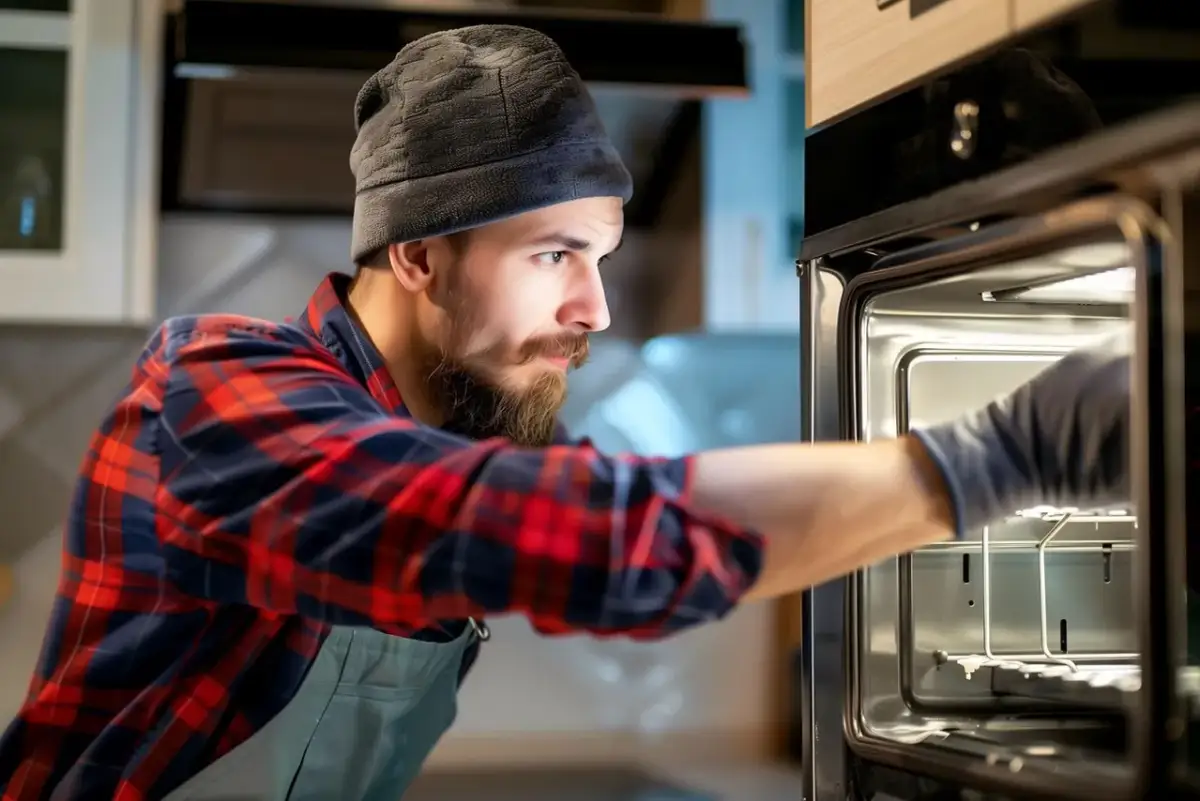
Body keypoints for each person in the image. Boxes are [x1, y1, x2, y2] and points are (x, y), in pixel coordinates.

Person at [0, 24, 1131, 801]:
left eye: (599, 256)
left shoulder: (460, 427)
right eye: (554, 252)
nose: (592, 305)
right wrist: (1009, 452)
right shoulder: (217, 384)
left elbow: (644, 515)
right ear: (419, 253)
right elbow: (566, 531)